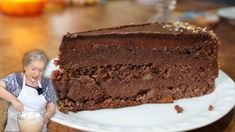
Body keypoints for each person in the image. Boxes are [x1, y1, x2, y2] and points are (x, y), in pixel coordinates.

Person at [0, 50, 57, 131]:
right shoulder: (15, 79)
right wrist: (13, 100)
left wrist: (47, 115)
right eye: (33, 69)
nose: (36, 74)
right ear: (25, 66)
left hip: (38, 127)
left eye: (40, 70)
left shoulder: (46, 83)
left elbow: (51, 103)